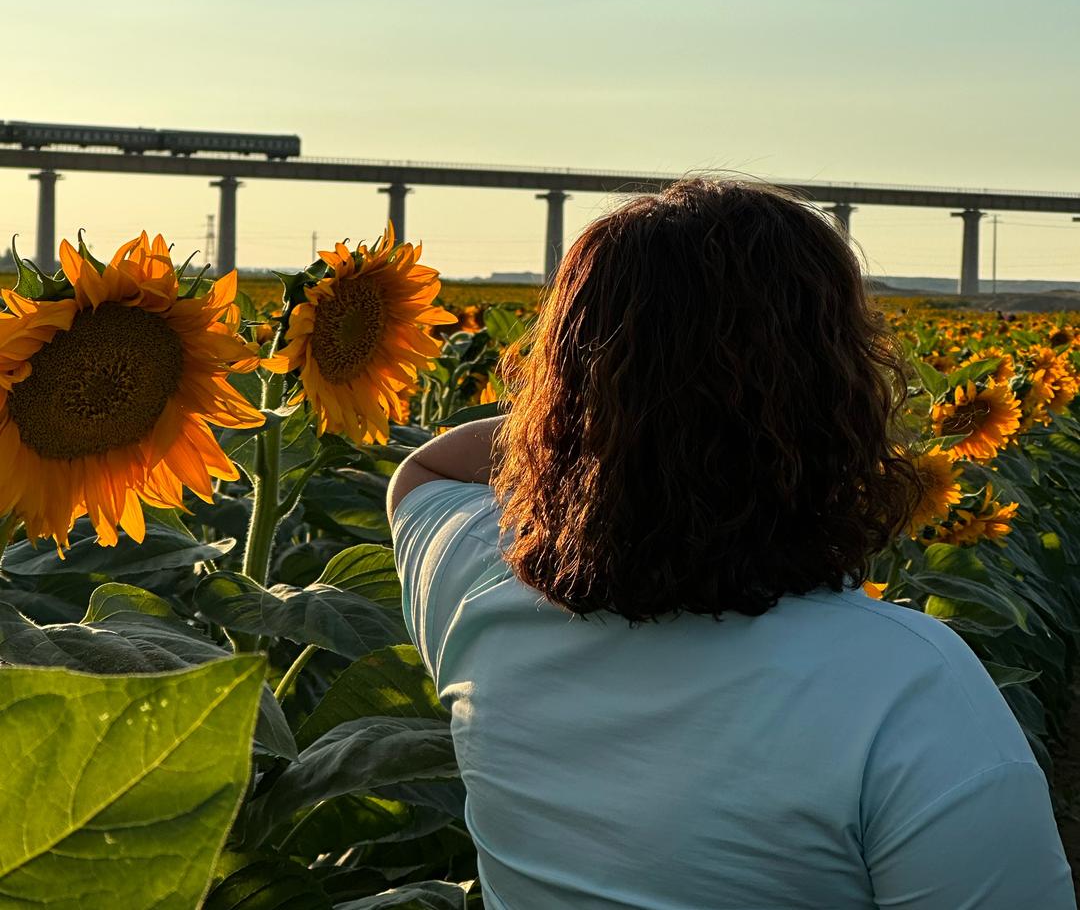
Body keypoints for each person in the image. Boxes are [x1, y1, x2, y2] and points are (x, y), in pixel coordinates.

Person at [386, 178, 1074, 909]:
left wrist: (588, 433)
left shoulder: (474, 594)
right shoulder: (908, 683)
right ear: (843, 401)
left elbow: (424, 470)